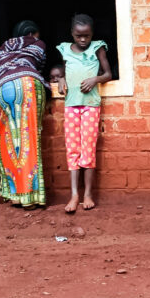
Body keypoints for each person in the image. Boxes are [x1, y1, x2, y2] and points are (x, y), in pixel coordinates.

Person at [0, 20, 50, 209]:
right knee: (29, 140)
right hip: (28, 85)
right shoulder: (37, 44)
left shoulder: (0, 50)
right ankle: (30, 198)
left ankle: (15, 196)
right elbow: (40, 66)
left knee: (6, 141)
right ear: (33, 33)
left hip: (2, 89)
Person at [56, 14, 112, 213]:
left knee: (88, 149)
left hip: (90, 105)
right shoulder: (65, 50)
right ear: (72, 33)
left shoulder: (97, 48)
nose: (83, 40)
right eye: (79, 36)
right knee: (72, 150)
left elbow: (108, 74)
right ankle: (74, 194)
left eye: (86, 36)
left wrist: (95, 80)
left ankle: (88, 193)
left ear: (92, 34)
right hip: (71, 106)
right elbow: (62, 72)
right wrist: (61, 80)